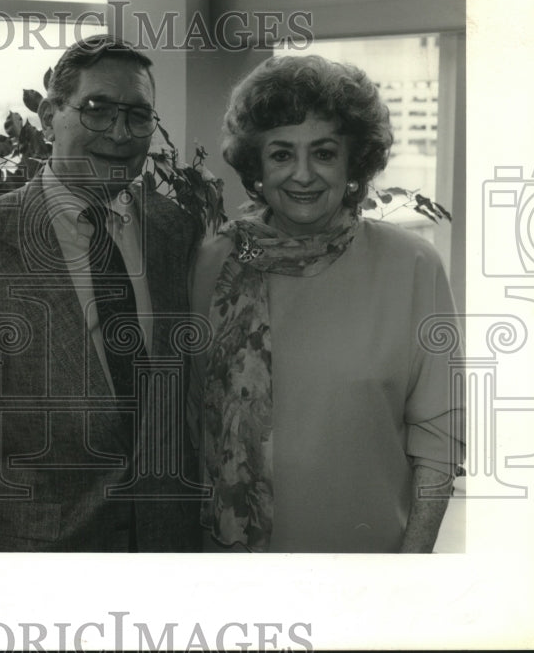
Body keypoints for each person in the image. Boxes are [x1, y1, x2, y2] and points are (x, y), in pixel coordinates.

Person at [0, 35, 203, 551]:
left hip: (168, 548)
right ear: (49, 118)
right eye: (96, 110)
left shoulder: (174, 230)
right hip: (39, 562)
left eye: (138, 116)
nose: (119, 132)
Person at [190, 54, 464, 553]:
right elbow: (182, 423)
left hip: (366, 565)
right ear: (255, 165)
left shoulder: (412, 267)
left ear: (353, 162)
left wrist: (411, 569)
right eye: (280, 154)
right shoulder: (213, 264)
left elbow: (440, 443)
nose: (302, 175)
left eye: (323, 153)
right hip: (229, 571)